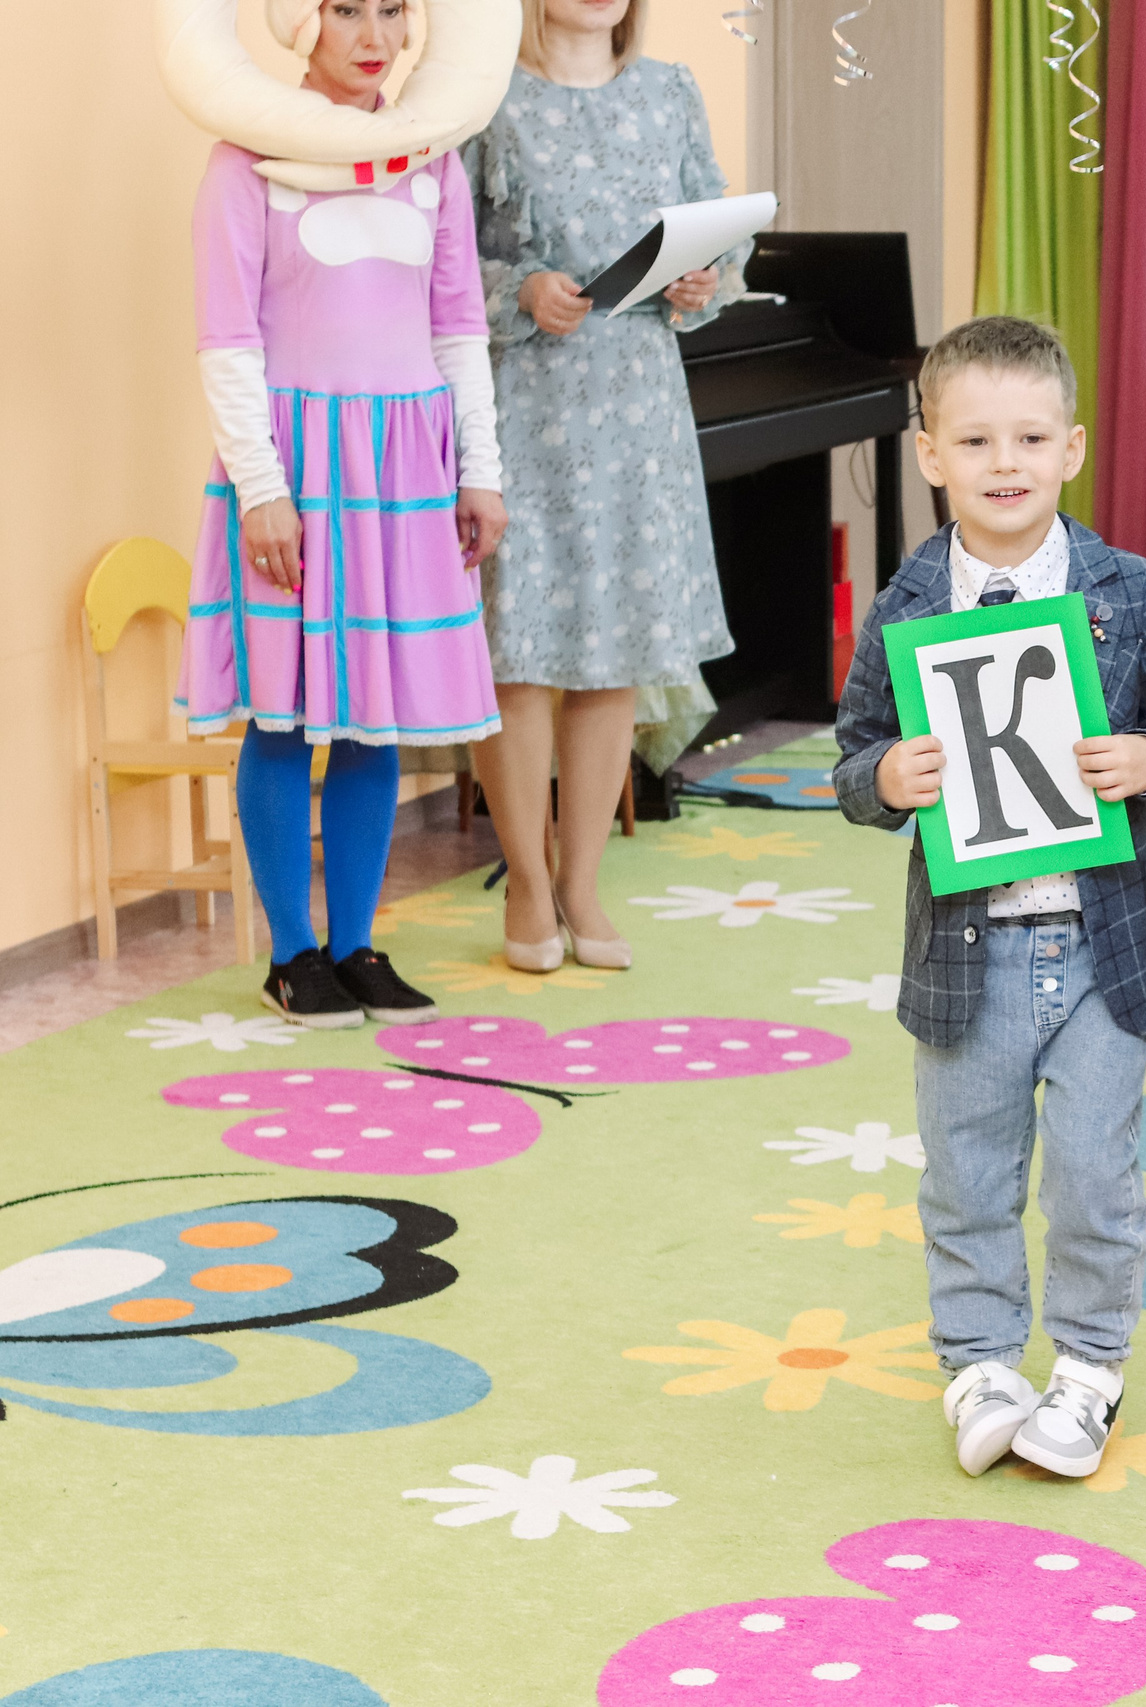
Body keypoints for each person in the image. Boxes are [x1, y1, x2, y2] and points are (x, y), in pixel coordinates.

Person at [832, 316, 1146, 1481]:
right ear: (929, 455)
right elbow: (856, 755)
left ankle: (1091, 1364)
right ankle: (982, 1362)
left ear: (1073, 448)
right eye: (975, 439)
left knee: (1096, 1169)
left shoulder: (1130, 592)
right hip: (971, 951)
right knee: (965, 1168)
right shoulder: (909, 608)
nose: (1005, 462)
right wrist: (886, 780)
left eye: (1030, 437)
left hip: (1107, 941)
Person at [175, 0, 509, 1028]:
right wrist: (264, 492)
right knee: (283, 712)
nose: (371, 32)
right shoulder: (244, 167)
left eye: (391, 9)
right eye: (345, 9)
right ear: (302, 25)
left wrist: (480, 470)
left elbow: (457, 329)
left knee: (375, 719)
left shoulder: (432, 164)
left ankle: (358, 944)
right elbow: (228, 342)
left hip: (406, 470)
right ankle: (292, 955)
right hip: (298, 469)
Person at [465, 0, 743, 973]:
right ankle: (528, 884)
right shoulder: (484, 93)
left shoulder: (670, 92)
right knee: (523, 650)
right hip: (521, 406)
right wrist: (521, 292)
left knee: (613, 648)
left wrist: (705, 280)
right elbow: (444, 258)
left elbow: (719, 233)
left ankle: (583, 883)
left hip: (638, 409)